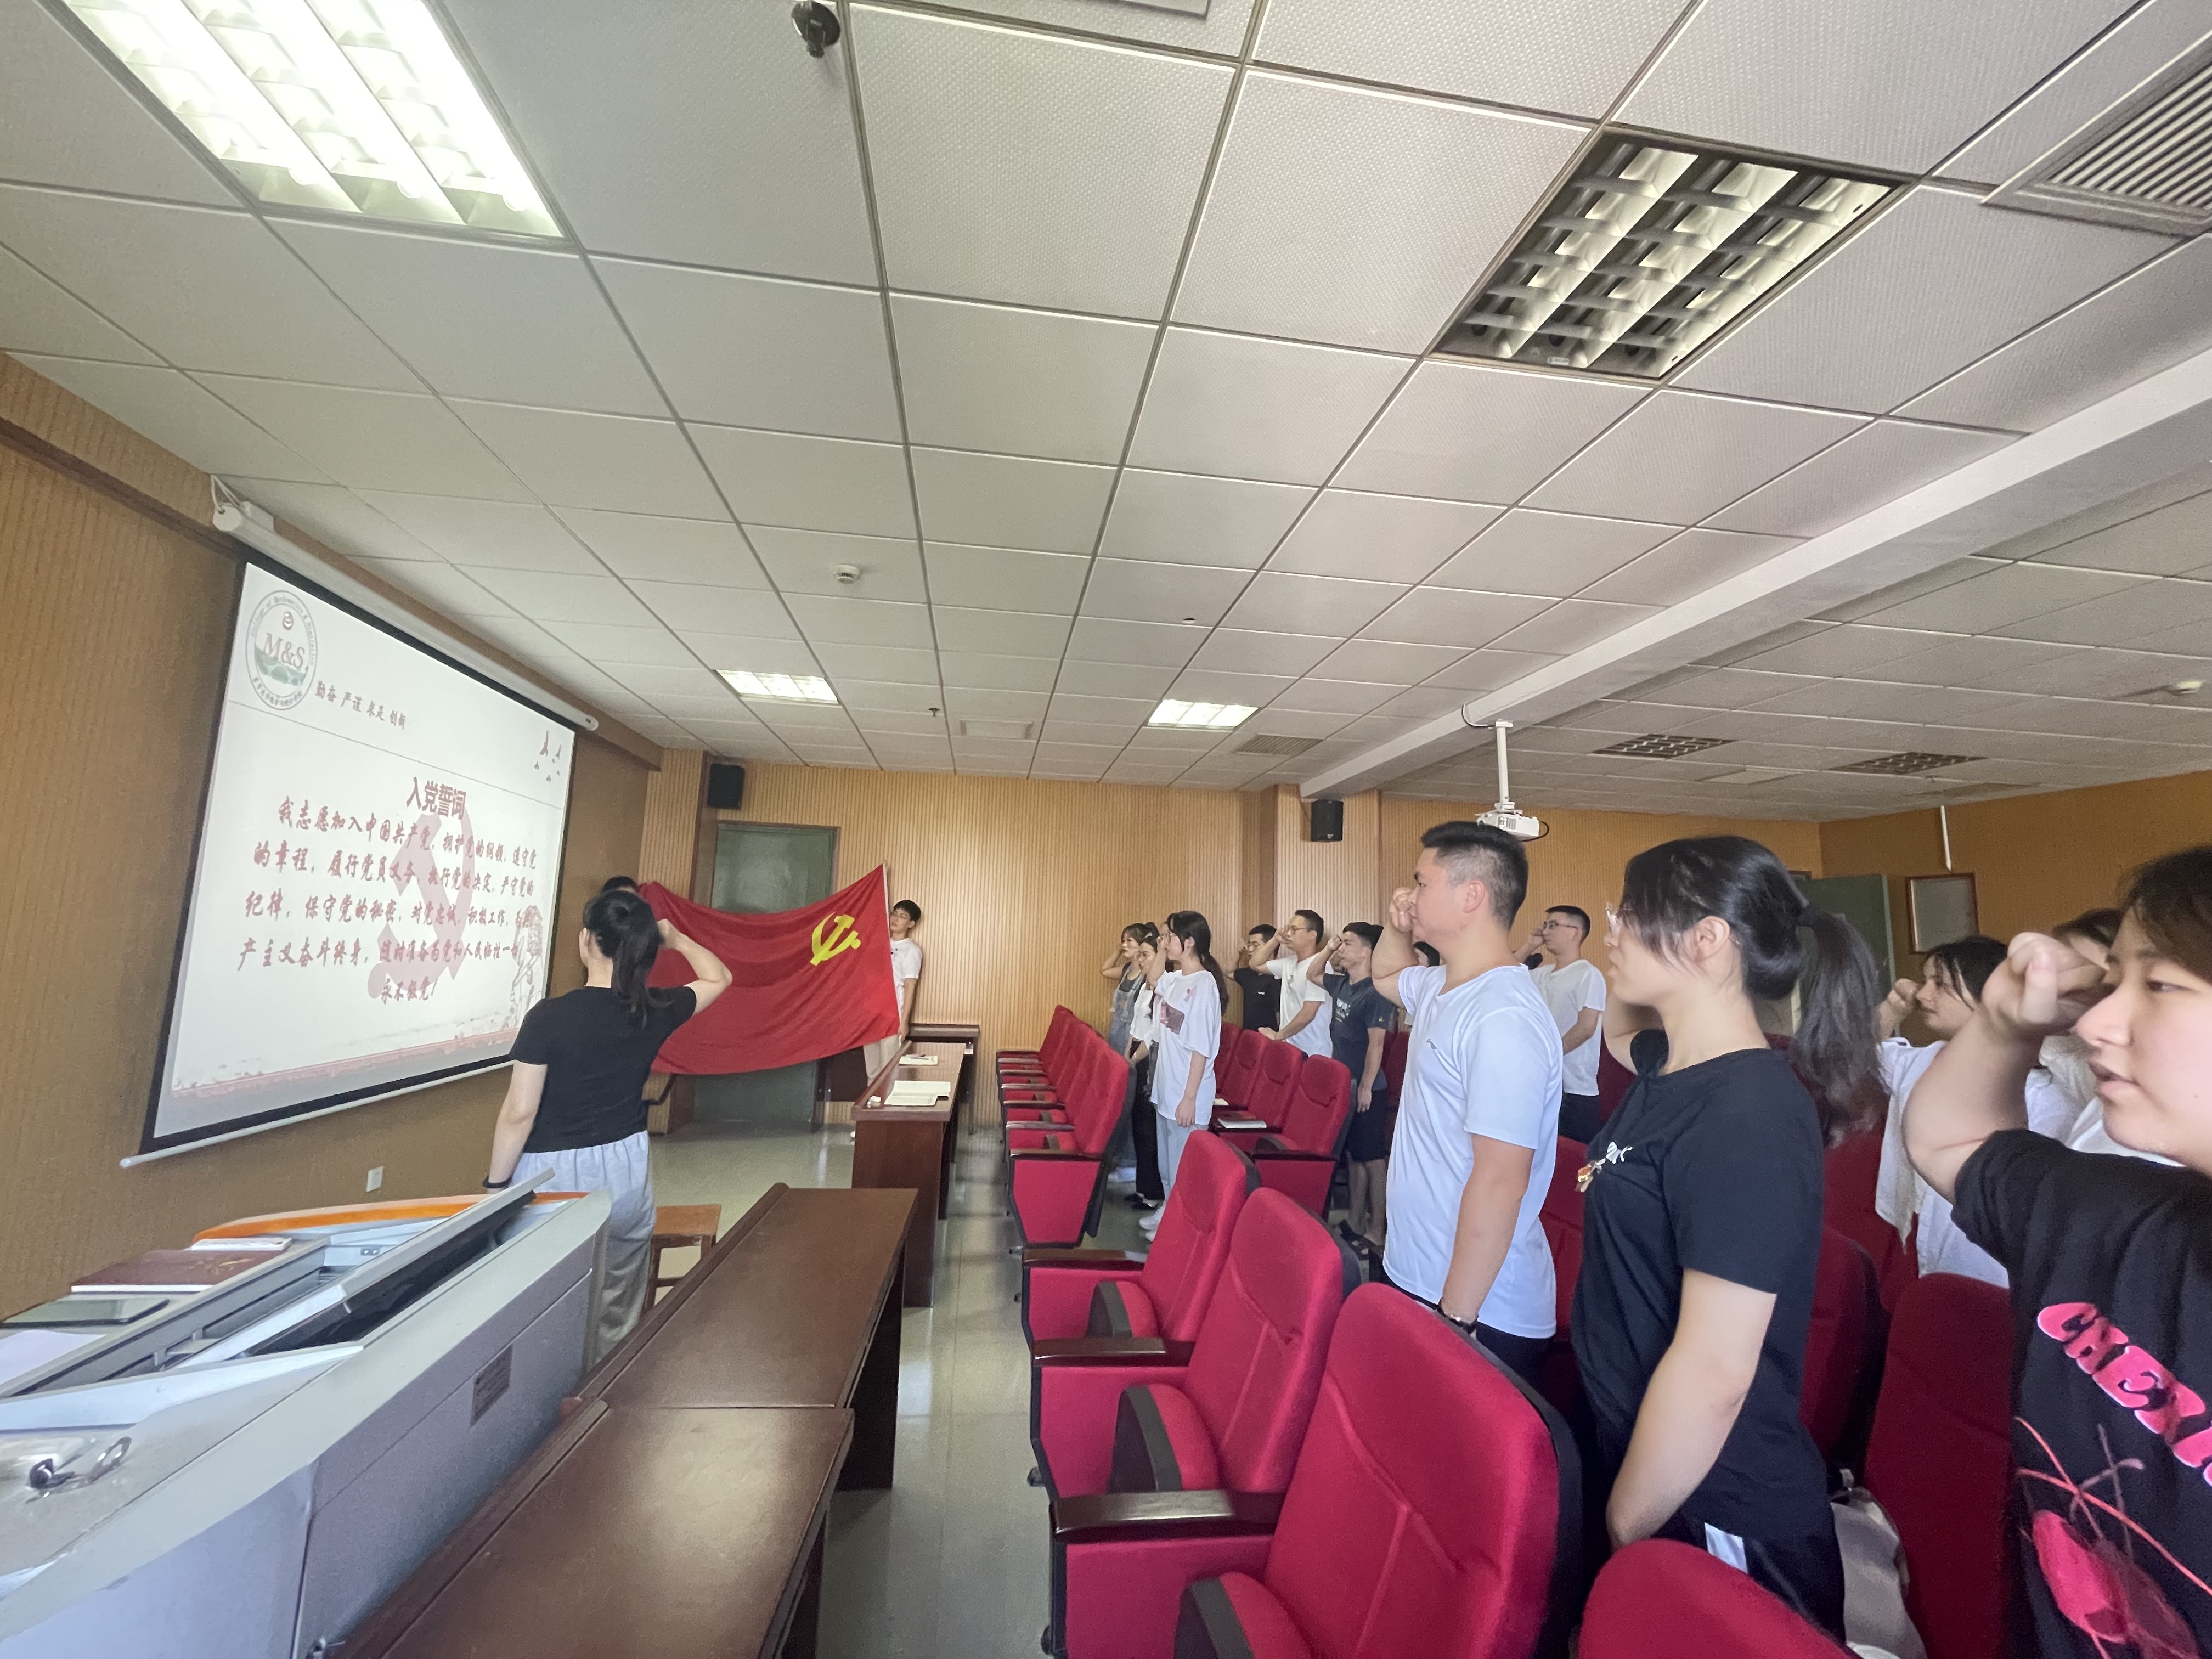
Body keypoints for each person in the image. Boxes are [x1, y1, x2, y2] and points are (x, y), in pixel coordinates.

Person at [1903, 846, 2212, 1659]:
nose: (2094, 1022)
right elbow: (1951, 1139)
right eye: (2113, 982)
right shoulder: (2115, 1218)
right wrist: (2005, 1024)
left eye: (2161, 984)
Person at [1578, 837, 1881, 1641]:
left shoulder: (1748, 1116)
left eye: (1630, 913)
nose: (1612, 928)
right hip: (1649, 1460)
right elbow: (1622, 1033)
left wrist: (1625, 1524)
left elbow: (1715, 1369)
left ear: (1709, 939)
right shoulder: (1668, 1068)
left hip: (1712, 1499)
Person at [487, 888, 731, 1363]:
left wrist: (496, 1188)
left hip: (552, 1176)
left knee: (542, 1298)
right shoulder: (652, 1009)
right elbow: (719, 977)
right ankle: (606, 1385)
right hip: (624, 1168)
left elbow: (519, 1112)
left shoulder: (548, 1016)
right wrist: (676, 939)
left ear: (587, 940)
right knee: (618, 1296)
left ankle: (549, 1385)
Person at [1368, 822, 1562, 1383]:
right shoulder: (1442, 985)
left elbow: (1501, 1181)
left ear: (1471, 895)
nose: (1410, 894)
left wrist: (1455, 1318)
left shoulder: (1502, 1017)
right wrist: (1396, 926)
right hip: (1418, 1271)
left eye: (1421, 882)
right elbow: (1387, 974)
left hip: (1478, 1306)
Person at [1872, 936, 2075, 1287]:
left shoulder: (2039, 1096)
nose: (1923, 995)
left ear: (1991, 994)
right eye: (1925, 981)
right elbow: (1857, 1053)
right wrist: (1892, 1007)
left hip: (1988, 1265)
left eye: (1940, 984)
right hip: (1918, 1236)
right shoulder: (1923, 1062)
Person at [1141, 911, 1224, 1239]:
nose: (1164, 941)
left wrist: (1189, 1099)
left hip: (1186, 1093)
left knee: (1183, 1168)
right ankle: (1167, 1209)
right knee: (1167, 1164)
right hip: (1167, 1088)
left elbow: (1201, 1049)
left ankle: (1178, 1228)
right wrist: (1163, 948)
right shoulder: (1177, 979)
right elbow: (1153, 979)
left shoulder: (1204, 986)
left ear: (1188, 942)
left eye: (1170, 936)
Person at [1328, 924, 1396, 1249]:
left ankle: (1378, 1229)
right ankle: (1356, 1221)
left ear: (1368, 951)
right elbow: (1313, 974)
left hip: (1369, 1089)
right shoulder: (1343, 984)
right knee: (1355, 1157)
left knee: (1373, 1160)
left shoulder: (1376, 992)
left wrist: (1366, 1086)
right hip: (1347, 1084)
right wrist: (1329, 948)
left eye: (1348, 944)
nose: (1341, 948)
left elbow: (1376, 1045)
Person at [1529, 904, 1609, 1142]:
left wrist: (1550, 1057)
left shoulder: (1588, 974)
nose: (1546, 931)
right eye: (1546, 925)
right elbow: (1502, 975)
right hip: (1542, 1084)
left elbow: (1586, 1027)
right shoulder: (1541, 974)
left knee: (1576, 1155)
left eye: (1553, 925)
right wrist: (1530, 945)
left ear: (1575, 932)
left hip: (1576, 1089)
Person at [1121, 925, 1167, 1212]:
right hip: (1135, 1055)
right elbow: (1135, 1027)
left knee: (1149, 1130)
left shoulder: (1163, 991)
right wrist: (1126, 1054)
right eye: (1140, 955)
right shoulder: (1144, 989)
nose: (1140, 960)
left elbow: (1154, 1036)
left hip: (1148, 1061)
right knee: (1138, 1125)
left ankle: (1154, 1194)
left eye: (1146, 955)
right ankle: (1142, 1188)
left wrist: (1133, 1060)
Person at [1101, 923, 1150, 1186]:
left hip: (1133, 1044)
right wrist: (1119, 951)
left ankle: (1130, 1162)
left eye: (1131, 941)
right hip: (1117, 1037)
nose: (1125, 944)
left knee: (1129, 1104)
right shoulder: (1125, 971)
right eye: (1124, 940)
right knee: (1119, 1102)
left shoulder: (1146, 977)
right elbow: (1104, 969)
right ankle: (1121, 1158)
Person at [1259, 910, 1334, 1061]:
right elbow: (1255, 964)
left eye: (1294, 930)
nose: (1288, 934)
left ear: (1312, 935)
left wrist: (1277, 1036)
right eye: (1288, 929)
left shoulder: (1321, 966)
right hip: (1289, 1048)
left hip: (1313, 1053)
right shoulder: (1289, 963)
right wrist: (1275, 940)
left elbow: (1308, 1014)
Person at [864, 899, 924, 1078]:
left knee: (889, 1071)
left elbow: (910, 987)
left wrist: (904, 1022)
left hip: (893, 1016)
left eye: (903, 917)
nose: (896, 919)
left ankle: (887, 1099)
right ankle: (873, 1098)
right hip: (872, 1014)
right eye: (894, 914)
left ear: (911, 924)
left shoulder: (912, 951)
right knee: (872, 1072)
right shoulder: (878, 944)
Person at [1231, 924, 1278, 1031]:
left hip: (1271, 1037)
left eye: (1255, 945)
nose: (1250, 949)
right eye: (1249, 944)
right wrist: (1239, 953)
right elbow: (1229, 971)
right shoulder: (1250, 974)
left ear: (1270, 947)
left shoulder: (1280, 976)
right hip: (1249, 1036)